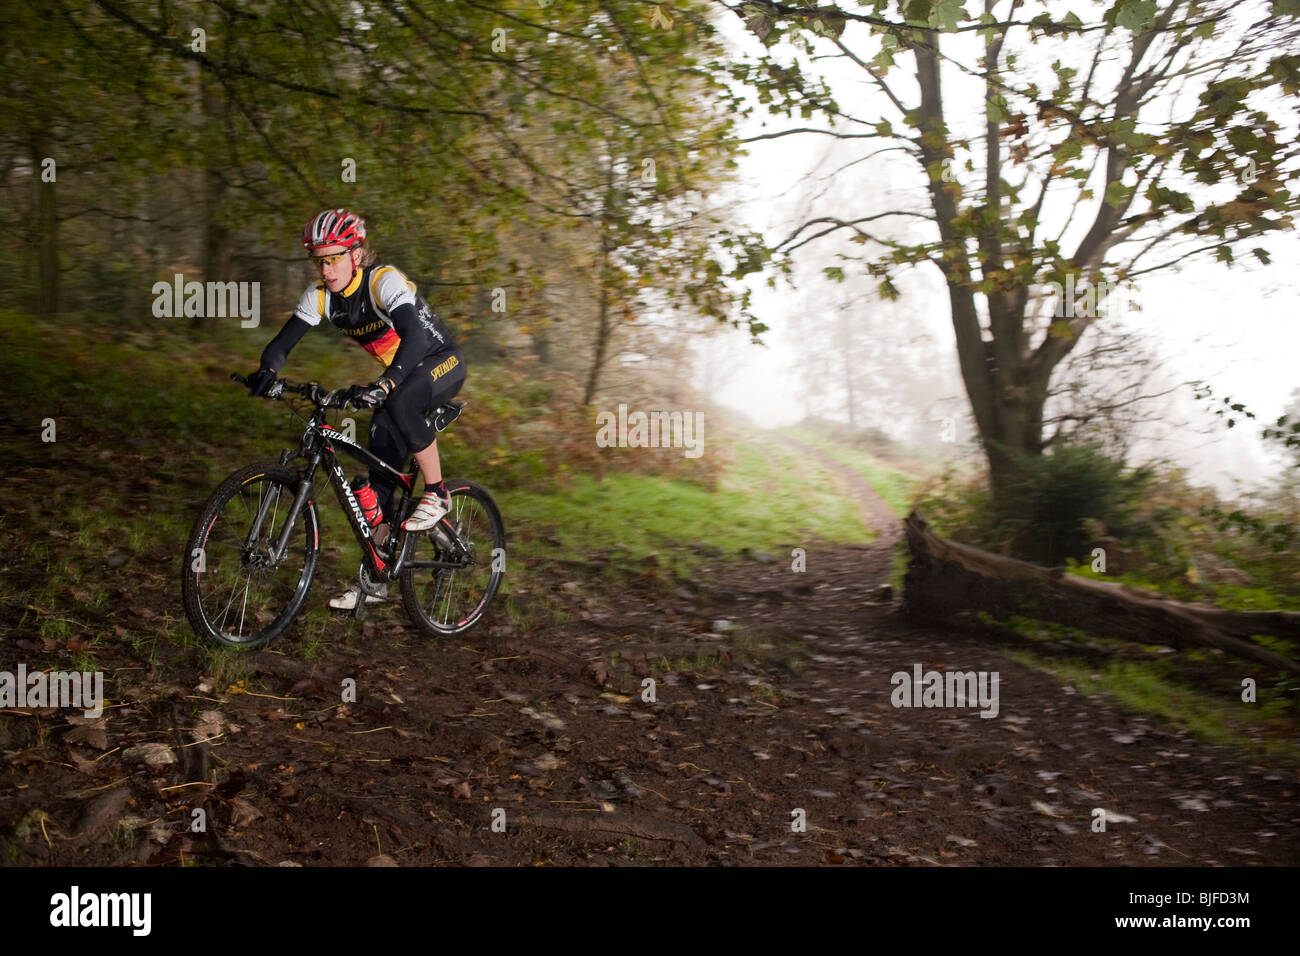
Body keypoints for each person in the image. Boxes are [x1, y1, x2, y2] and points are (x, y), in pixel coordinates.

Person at [245, 208, 466, 610]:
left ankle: (437, 493)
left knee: (399, 400)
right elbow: (282, 343)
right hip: (400, 377)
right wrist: (267, 370)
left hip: (440, 361)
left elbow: (415, 339)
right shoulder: (321, 297)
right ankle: (376, 579)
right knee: (378, 478)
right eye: (320, 260)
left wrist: (385, 383)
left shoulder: (384, 282)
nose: (326, 269)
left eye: (334, 258)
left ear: (356, 255)